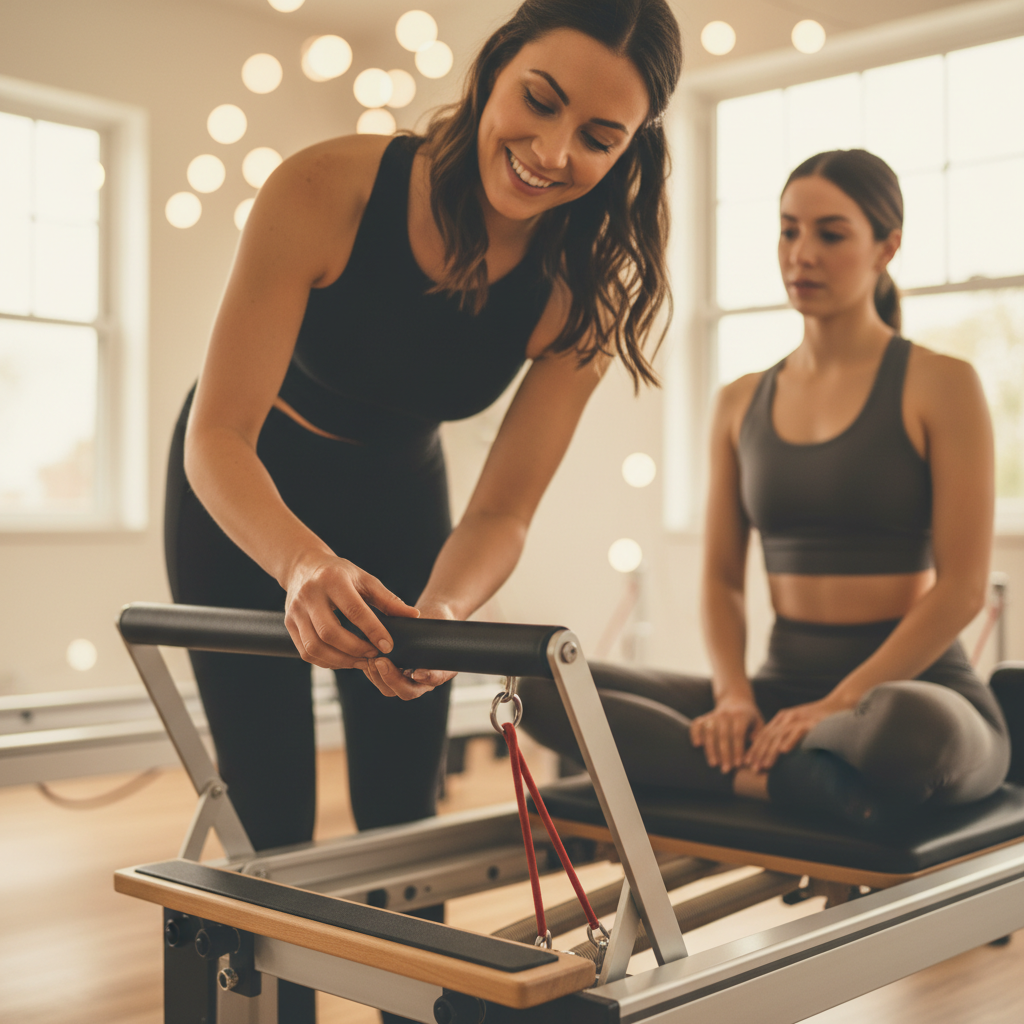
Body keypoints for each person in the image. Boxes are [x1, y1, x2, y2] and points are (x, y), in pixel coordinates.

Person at [164, 1, 681, 1018]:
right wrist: (304, 566)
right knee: (273, 822)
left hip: (404, 502)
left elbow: (502, 512)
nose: (550, 151)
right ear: (494, 67)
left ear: (629, 151)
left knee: (404, 818)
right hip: (247, 495)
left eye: (597, 138)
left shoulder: (579, 288)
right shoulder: (327, 186)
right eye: (538, 101)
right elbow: (214, 437)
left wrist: (444, 610)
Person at [521, 149, 1011, 829]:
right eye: (788, 230)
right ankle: (797, 779)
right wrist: (732, 697)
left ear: (886, 246)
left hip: (907, 692)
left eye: (830, 234)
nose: (800, 254)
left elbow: (961, 588)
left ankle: (779, 770)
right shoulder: (739, 401)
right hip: (778, 693)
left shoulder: (942, 383)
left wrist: (840, 702)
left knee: (909, 733)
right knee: (543, 686)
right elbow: (722, 578)